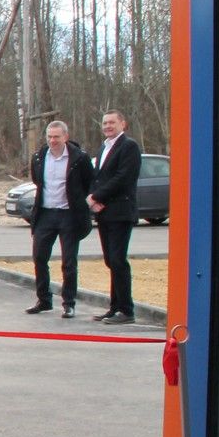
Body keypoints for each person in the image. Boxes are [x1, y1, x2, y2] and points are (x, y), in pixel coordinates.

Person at [25, 120, 94, 318]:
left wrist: (85, 205)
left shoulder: (79, 159)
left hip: (69, 215)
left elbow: (89, 182)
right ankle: (44, 299)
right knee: (39, 257)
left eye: (56, 137)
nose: (53, 141)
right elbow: (37, 181)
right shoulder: (38, 157)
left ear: (66, 137)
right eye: (49, 137)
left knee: (69, 262)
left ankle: (69, 303)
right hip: (45, 214)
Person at [89, 109, 142, 324]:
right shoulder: (104, 147)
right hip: (105, 213)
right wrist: (95, 198)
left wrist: (97, 196)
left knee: (119, 260)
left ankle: (126, 310)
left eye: (112, 122)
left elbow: (124, 177)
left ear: (123, 124)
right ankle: (114, 306)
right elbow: (99, 177)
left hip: (121, 212)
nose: (108, 126)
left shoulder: (128, 146)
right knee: (111, 260)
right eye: (105, 123)